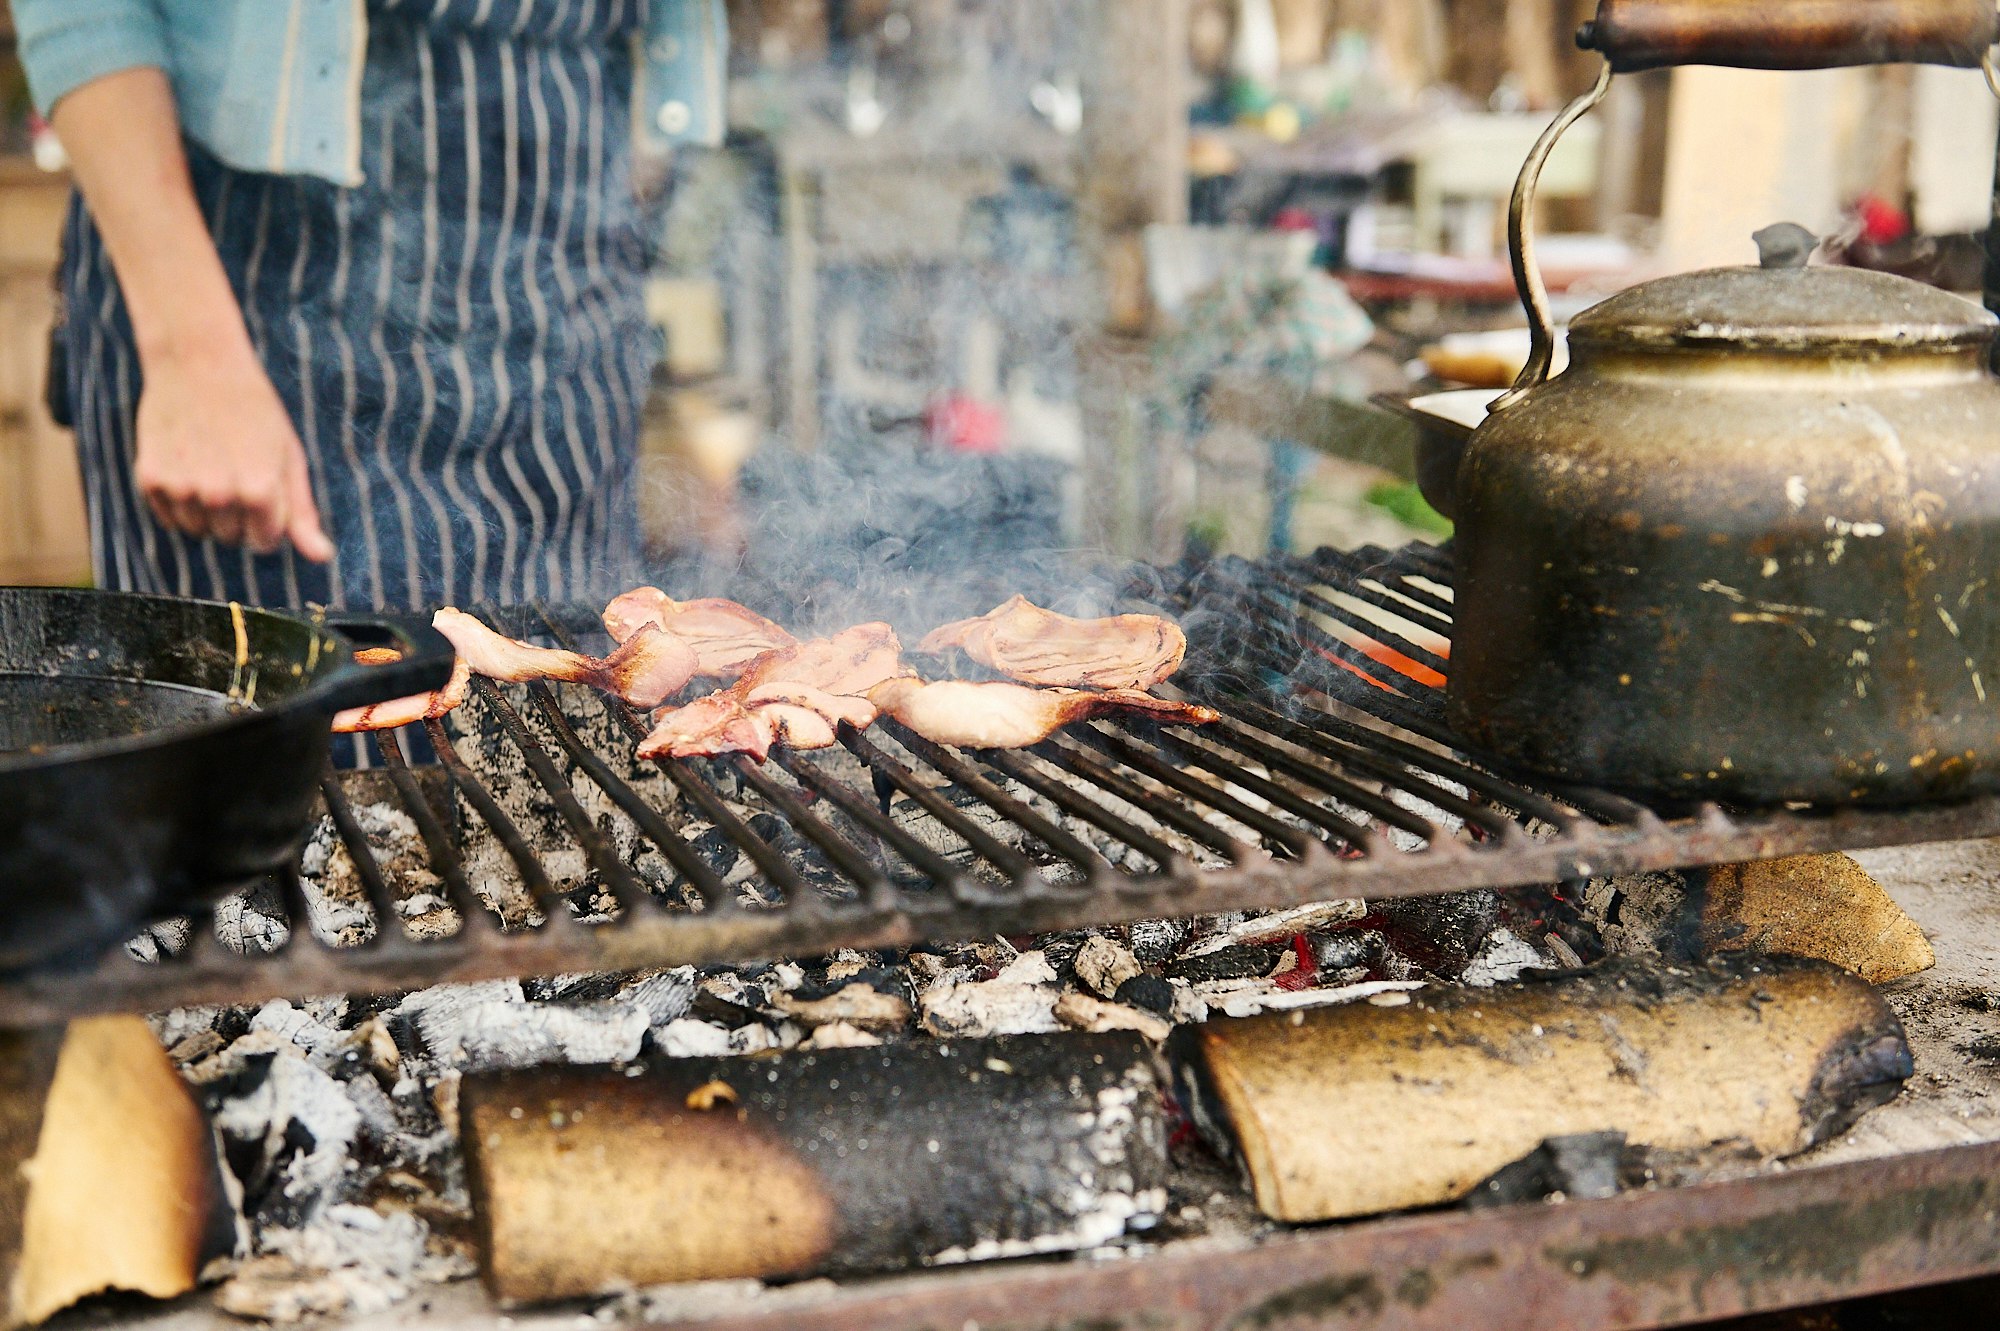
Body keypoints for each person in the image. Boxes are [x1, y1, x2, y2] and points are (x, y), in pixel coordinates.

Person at [15, 0, 726, 611]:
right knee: (283, 741)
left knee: (566, 722)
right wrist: (193, 350)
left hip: (569, 262)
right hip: (253, 269)